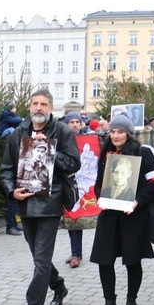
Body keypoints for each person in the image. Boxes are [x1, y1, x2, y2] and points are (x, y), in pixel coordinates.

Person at [0, 88, 80, 305]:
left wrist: (51, 149)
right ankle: (59, 286)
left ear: (50, 108)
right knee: (39, 257)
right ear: (29, 106)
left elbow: (74, 163)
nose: (39, 108)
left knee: (41, 260)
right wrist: (11, 191)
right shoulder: (18, 133)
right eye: (35, 103)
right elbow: (6, 169)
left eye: (44, 104)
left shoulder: (62, 131)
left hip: (49, 203)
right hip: (25, 203)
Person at [90, 113, 154, 305]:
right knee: (104, 259)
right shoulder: (106, 154)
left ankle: (132, 301)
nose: (115, 135)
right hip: (109, 215)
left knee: (132, 259)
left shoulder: (141, 153)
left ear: (128, 134)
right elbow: (99, 183)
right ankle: (109, 303)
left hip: (133, 215)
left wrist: (137, 201)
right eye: (112, 131)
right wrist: (99, 197)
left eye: (120, 131)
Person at [63, 111, 86, 268]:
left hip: (84, 181)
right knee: (72, 216)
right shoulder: (63, 138)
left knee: (78, 216)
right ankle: (75, 252)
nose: (75, 125)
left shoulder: (88, 138)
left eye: (77, 122)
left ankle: (77, 253)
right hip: (68, 181)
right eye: (71, 122)